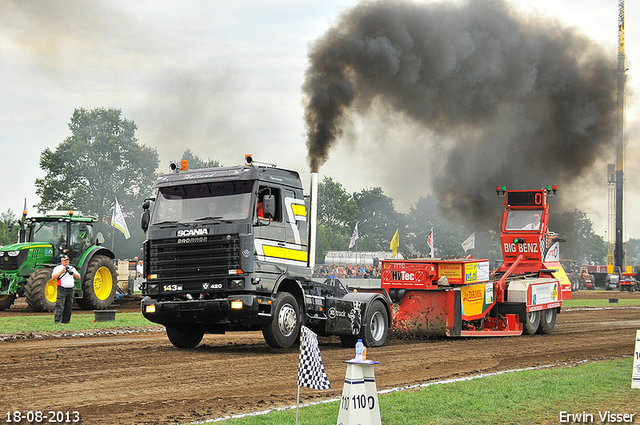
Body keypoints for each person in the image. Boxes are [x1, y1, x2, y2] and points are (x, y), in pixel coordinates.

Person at [52, 254, 80, 324]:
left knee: (69, 306)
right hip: (62, 288)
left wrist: (73, 273)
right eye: (64, 260)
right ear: (61, 261)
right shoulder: (58, 268)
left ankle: (66, 321)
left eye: (67, 260)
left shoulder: (72, 268)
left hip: (70, 289)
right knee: (60, 305)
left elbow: (78, 277)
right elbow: (53, 277)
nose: (66, 262)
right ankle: (57, 321)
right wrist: (61, 272)